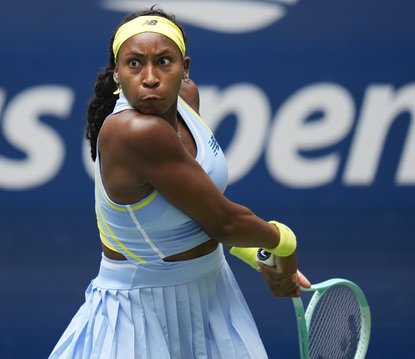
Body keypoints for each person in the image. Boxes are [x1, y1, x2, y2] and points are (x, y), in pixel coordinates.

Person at [49, 7, 310, 359]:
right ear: (116, 74)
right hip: (140, 313)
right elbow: (224, 222)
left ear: (184, 69)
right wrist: (284, 243)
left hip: (212, 293)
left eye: (164, 61)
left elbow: (197, 206)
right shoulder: (134, 131)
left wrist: (257, 254)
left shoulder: (187, 99)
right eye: (135, 64)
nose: (151, 77)